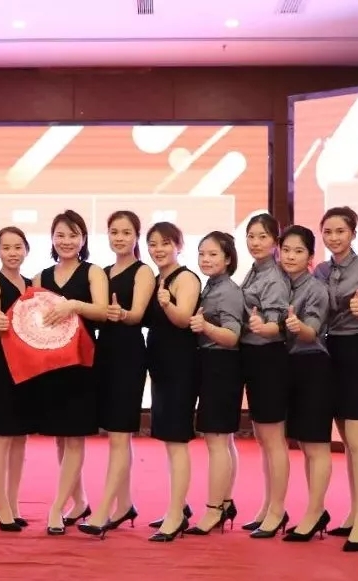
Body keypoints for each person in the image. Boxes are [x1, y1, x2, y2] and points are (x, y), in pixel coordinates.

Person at [313, 206, 358, 552]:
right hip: (331, 353)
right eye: (328, 232)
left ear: (353, 234)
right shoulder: (321, 270)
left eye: (340, 231)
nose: (334, 238)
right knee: (346, 441)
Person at [32, 210, 109, 536]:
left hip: (82, 363)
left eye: (73, 235)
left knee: (75, 436)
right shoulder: (40, 277)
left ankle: (56, 507)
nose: (66, 241)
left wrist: (73, 305)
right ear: (52, 238)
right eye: (60, 235)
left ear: (83, 239)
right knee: (62, 438)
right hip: (51, 365)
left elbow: (102, 312)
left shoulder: (93, 272)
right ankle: (79, 502)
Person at [79, 211, 154, 534]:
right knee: (114, 435)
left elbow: (137, 315)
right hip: (104, 354)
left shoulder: (143, 271)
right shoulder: (103, 272)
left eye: (126, 232)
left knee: (121, 435)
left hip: (129, 356)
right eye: (114, 232)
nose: (119, 238)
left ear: (136, 236)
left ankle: (103, 511)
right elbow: (95, 314)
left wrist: (121, 313)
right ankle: (124, 505)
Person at [140, 222, 200, 542]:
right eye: (153, 244)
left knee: (177, 442)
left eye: (165, 243)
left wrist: (166, 302)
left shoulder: (185, 278)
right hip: (162, 368)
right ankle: (179, 506)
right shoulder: (156, 279)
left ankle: (176, 516)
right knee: (168, 440)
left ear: (179, 245)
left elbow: (184, 319)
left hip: (181, 368)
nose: (158, 249)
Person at [183, 231, 244, 536]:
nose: (205, 259)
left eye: (213, 254)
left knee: (217, 441)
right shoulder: (211, 286)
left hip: (222, 365)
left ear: (228, 258)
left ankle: (213, 509)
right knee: (224, 440)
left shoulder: (228, 291)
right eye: (202, 254)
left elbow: (232, 336)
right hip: (214, 364)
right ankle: (226, 502)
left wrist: (205, 326)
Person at [278, 225, 335, 542]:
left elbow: (312, 331)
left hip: (313, 365)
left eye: (298, 251)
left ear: (311, 256)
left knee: (316, 445)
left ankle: (314, 512)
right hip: (289, 365)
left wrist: (298, 326)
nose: (290, 256)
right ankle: (317, 509)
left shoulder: (315, 289)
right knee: (303, 444)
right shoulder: (278, 283)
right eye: (286, 250)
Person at [238, 214, 292, 540]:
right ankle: (267, 506)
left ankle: (277, 510)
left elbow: (276, 324)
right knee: (262, 437)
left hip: (269, 358)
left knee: (273, 440)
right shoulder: (255, 270)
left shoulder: (274, 276)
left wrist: (263, 327)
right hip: (253, 357)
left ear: (275, 241)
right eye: (251, 236)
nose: (256, 242)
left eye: (262, 237)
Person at [0, 226, 37, 532]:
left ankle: (14, 503)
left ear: (26, 249)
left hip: (27, 367)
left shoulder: (31, 285)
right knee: (3, 436)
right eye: (6, 248)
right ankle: (0, 503)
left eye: (18, 247)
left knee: (20, 437)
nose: (12, 253)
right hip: (2, 366)